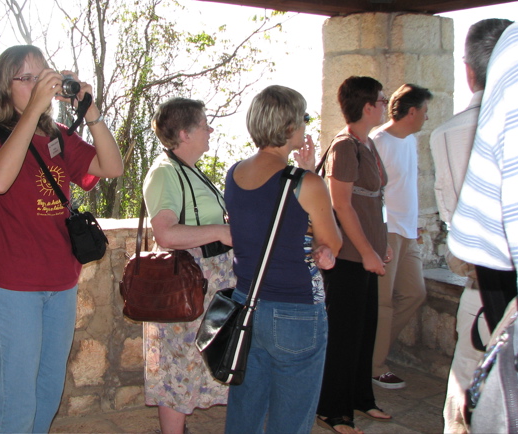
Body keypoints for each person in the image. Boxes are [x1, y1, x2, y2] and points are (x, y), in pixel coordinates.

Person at [0, 45, 123, 433]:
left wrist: (92, 115)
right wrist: (34, 111)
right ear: (6, 88)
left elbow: (112, 166)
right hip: (13, 285)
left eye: (45, 76)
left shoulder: (56, 136)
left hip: (60, 281)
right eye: (29, 78)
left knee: (48, 391)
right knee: (16, 397)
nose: (41, 84)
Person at [223, 85, 342, 433]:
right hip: (295, 309)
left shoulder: (234, 174)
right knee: (292, 416)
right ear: (290, 127)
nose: (306, 126)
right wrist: (310, 174)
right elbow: (332, 241)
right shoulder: (305, 183)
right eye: (303, 118)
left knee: (246, 407)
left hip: (248, 303)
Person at [449, 14, 518, 430]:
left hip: (490, 278)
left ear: (469, 72)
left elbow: (474, 235)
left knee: (468, 389)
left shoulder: (446, 134)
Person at [429, 18, 513, 434]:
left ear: (468, 69)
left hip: (483, 289)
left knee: (465, 401)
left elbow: (456, 229)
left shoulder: (447, 135)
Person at [142, 97, 234, 434]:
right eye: (203, 124)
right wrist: (223, 232)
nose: (210, 129)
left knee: (192, 363)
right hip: (186, 284)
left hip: (207, 284)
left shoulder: (190, 172)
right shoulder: (166, 173)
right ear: (184, 133)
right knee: (177, 366)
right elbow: (165, 233)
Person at [316, 76, 392, 434]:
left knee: (364, 333)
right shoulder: (345, 146)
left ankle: (361, 397)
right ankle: (333, 410)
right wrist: (366, 252)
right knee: (344, 336)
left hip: (366, 256)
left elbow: (371, 203)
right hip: (349, 260)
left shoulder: (367, 144)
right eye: (381, 99)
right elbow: (341, 206)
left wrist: (381, 244)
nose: (385, 103)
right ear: (367, 106)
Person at [370, 83, 433, 389]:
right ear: (412, 112)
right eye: (425, 111)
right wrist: (380, 235)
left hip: (408, 232)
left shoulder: (409, 141)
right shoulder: (378, 141)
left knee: (414, 293)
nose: (426, 118)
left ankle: (369, 351)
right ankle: (375, 365)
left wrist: (415, 224)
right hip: (387, 232)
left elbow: (405, 187)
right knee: (383, 303)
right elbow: (370, 193)